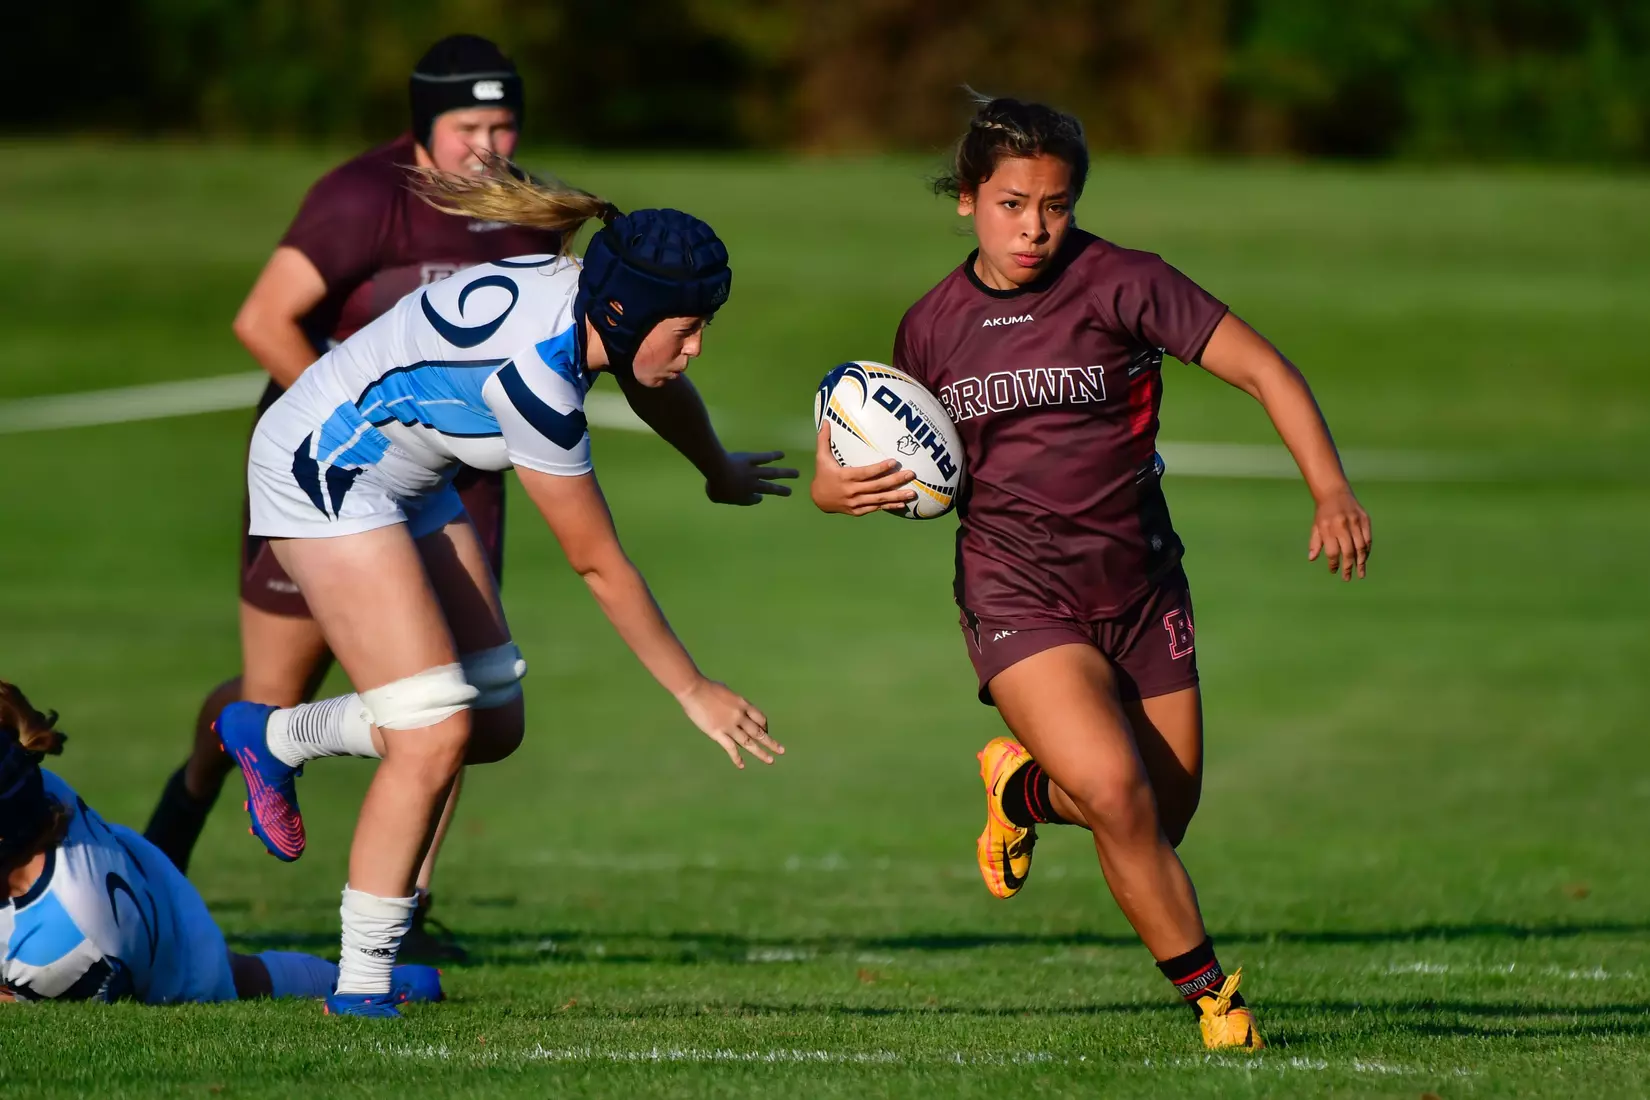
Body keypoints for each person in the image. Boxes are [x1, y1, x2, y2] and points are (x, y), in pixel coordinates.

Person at [141, 34, 792, 961]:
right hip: (322, 470)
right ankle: (367, 980)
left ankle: (274, 736)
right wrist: (692, 691)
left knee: (492, 721)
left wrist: (716, 464)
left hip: (407, 481)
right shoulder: (539, 382)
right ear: (628, 314)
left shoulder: (583, 285)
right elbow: (599, 564)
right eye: (689, 331)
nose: (697, 350)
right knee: (434, 728)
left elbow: (650, 375)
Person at [811, 94, 1373, 1051]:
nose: (1035, 228)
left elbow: (1266, 370)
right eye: (1012, 203)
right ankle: (1214, 1000)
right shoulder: (931, 329)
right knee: (1117, 795)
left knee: (1165, 813)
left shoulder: (1127, 283)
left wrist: (1329, 489)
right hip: (1017, 594)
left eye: (1056, 205)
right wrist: (836, 491)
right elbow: (864, 462)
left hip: (1143, 586)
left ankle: (1018, 791)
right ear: (966, 200)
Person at [0, 682, 442, 1008]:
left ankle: (378, 983)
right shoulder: (34, 787)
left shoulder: (58, 949)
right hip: (138, 874)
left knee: (240, 977)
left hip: (160, 957)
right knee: (243, 971)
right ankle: (382, 979)